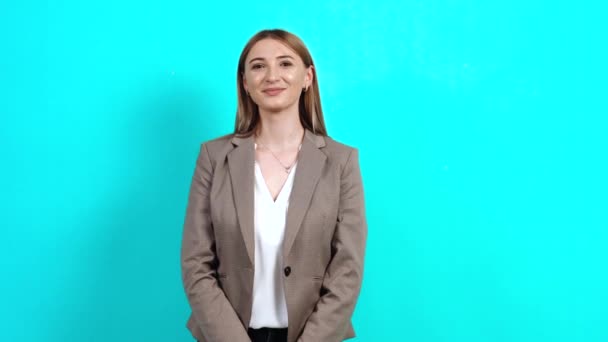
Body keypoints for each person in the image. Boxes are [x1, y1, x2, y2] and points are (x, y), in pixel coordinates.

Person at [180, 29, 367, 342]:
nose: (271, 76)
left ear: (307, 77)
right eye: (258, 66)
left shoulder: (341, 162)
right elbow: (196, 263)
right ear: (245, 82)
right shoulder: (213, 157)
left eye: (285, 64)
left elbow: (347, 270)